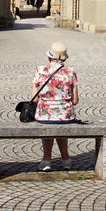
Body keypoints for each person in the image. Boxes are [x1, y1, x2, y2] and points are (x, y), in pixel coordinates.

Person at [32, 41, 79, 171]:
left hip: (44, 114)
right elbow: (75, 101)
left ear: (49, 57)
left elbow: (34, 99)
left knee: (49, 125)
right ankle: (66, 160)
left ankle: (46, 160)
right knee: (60, 123)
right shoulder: (70, 72)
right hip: (66, 115)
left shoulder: (40, 70)